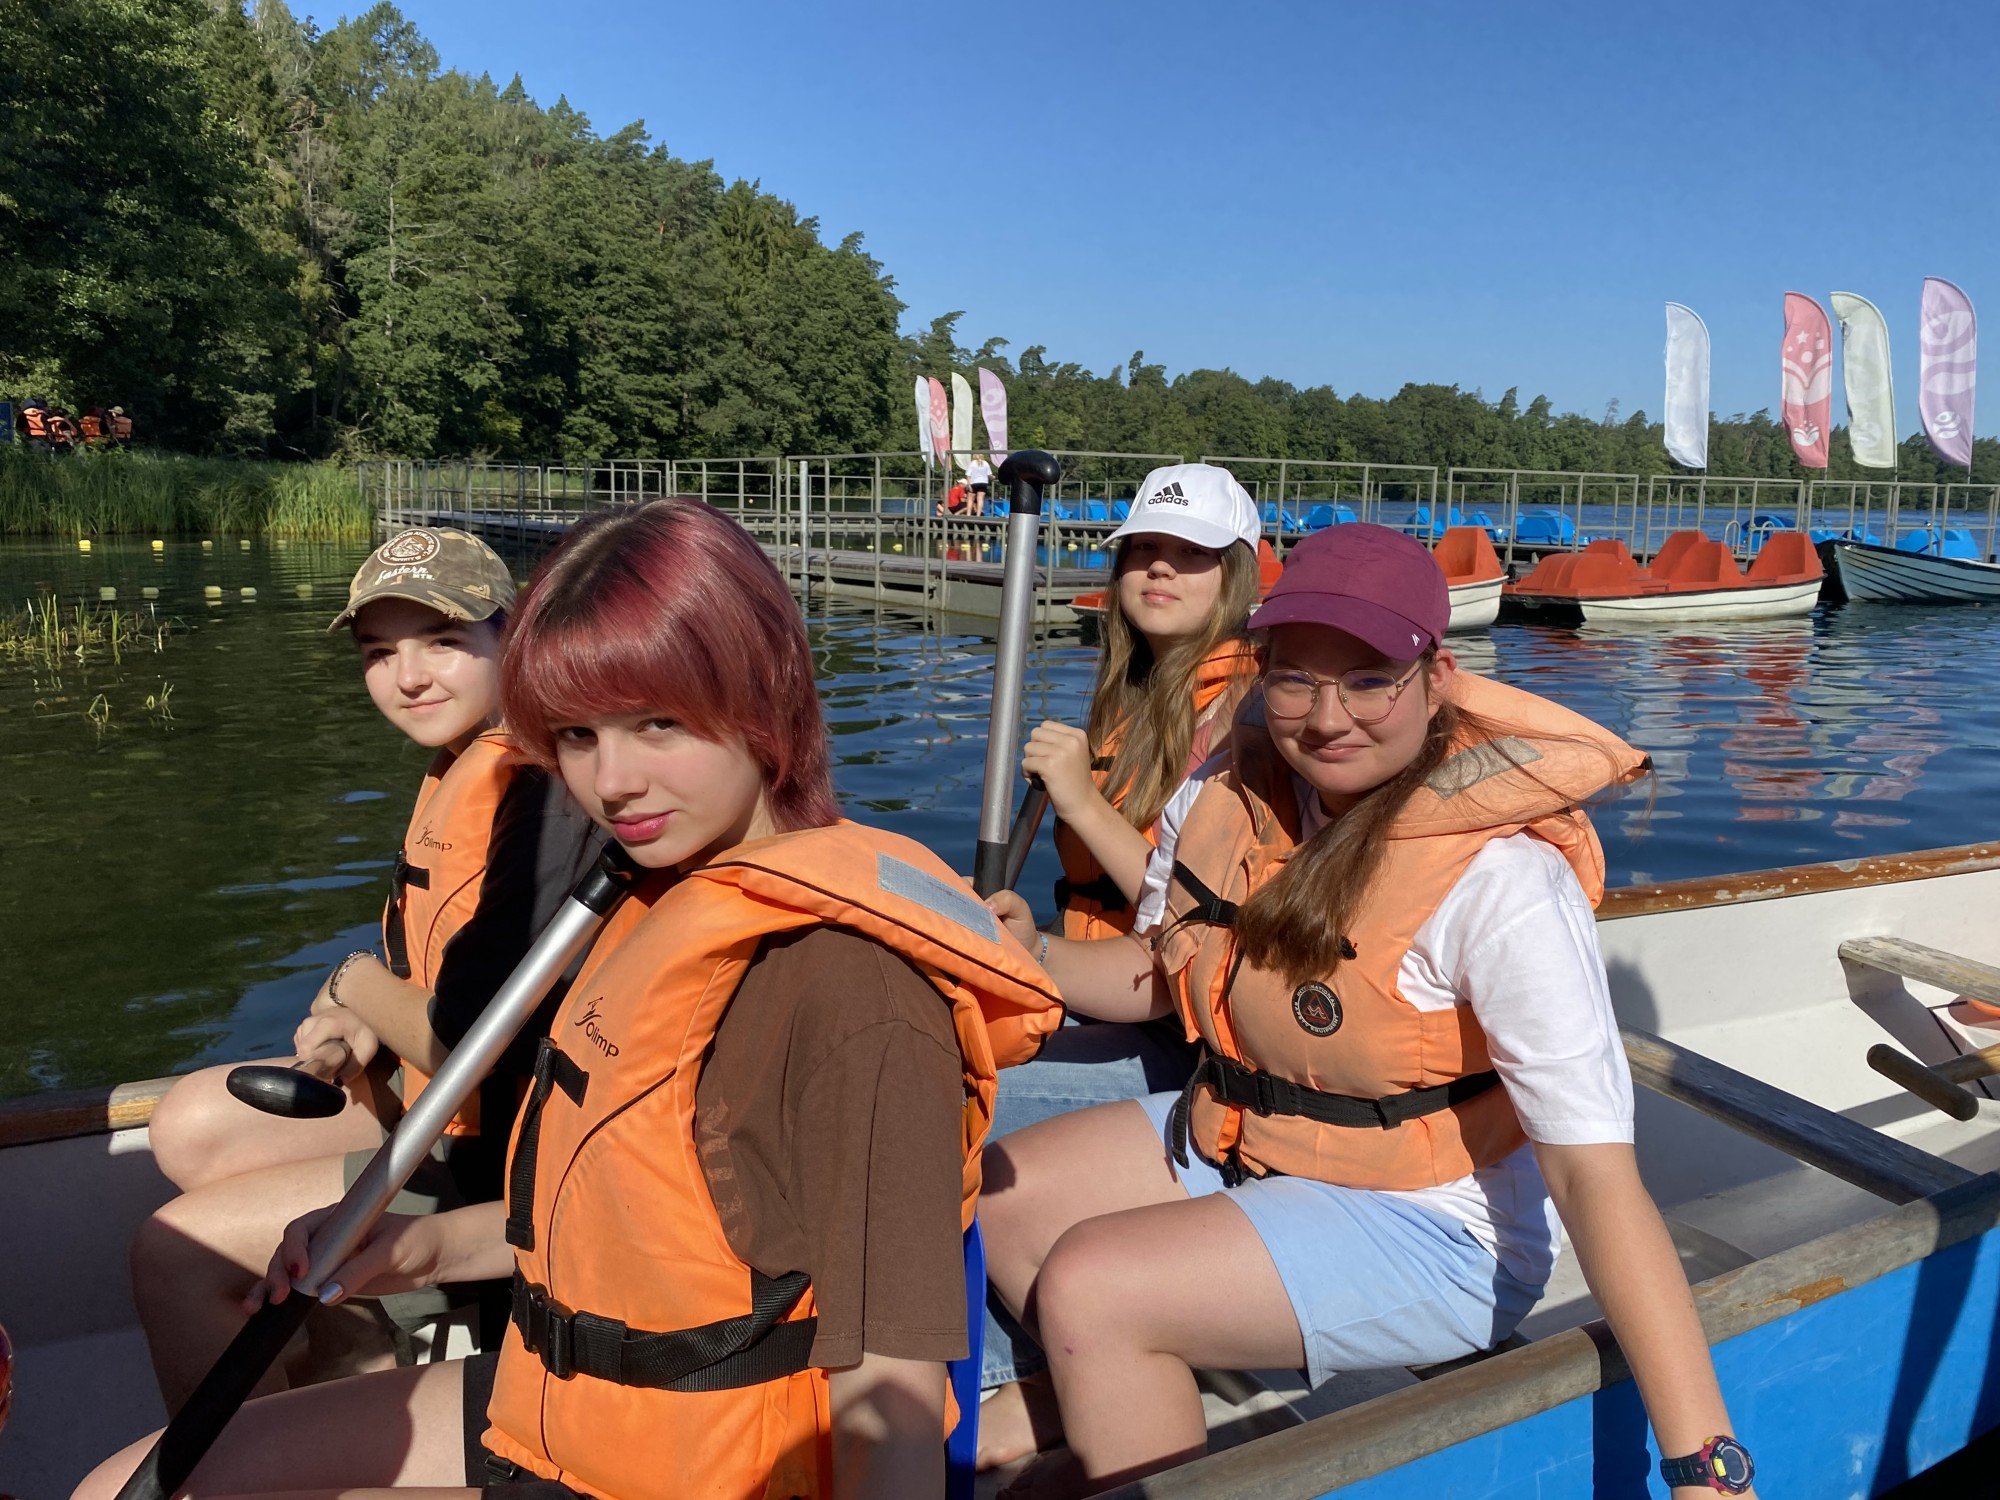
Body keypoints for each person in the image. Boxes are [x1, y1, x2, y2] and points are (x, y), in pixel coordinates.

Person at [79, 498, 1063, 1500]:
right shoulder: (648, 902)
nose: (613, 783)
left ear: (764, 695)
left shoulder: (857, 995)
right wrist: (421, 1244)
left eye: (657, 723)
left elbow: (890, 1409)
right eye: (579, 734)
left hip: (702, 1461)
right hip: (561, 1404)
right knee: (134, 1481)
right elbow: (614, 1229)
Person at [978, 524, 1756, 1499]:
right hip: (1255, 1139)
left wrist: (1703, 1463)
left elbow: (1592, 1178)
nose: (1325, 718)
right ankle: (1106, 1396)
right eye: (1295, 680)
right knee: (999, 1194)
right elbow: (1164, 970)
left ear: (1435, 679)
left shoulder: (1502, 882)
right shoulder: (1225, 798)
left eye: (1368, 680)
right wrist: (1037, 956)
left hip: (1437, 1228)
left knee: (1094, 1281)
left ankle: (1115, 1375)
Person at [130, 527, 601, 1412]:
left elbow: (469, 1044)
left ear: (515, 639)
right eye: (380, 653)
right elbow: (432, 956)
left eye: (443, 642)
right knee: (189, 1125)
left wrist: (350, 982)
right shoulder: (463, 765)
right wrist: (357, 1024)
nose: (407, 677)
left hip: (500, 1147)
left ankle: (270, 1456)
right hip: (434, 1103)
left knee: (174, 1256)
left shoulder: (546, 791)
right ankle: (358, 1358)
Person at [976, 464, 1265, 1462]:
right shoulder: (1138, 695)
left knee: (964, 1111)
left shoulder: (1248, 716)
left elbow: (1193, 918)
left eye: (1188, 554)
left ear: (1235, 573)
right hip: (1108, 998)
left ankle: (1027, 1387)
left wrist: (1080, 799)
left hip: (1183, 1039)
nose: (1158, 569)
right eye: (1143, 549)